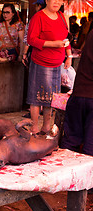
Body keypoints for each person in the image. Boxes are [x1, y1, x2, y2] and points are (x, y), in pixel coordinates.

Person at [26, 0, 72, 135]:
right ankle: (34, 128)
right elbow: (31, 39)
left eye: (60, 0)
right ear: (47, 0)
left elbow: (66, 39)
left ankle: (46, 127)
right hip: (41, 62)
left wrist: (69, 56)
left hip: (57, 63)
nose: (57, 2)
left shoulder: (63, 17)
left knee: (51, 99)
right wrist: (53, 44)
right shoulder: (38, 17)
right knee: (36, 97)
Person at [61, 30, 93, 155]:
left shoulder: (91, 33)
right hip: (88, 97)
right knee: (89, 148)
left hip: (79, 95)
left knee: (70, 144)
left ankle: (64, 172)